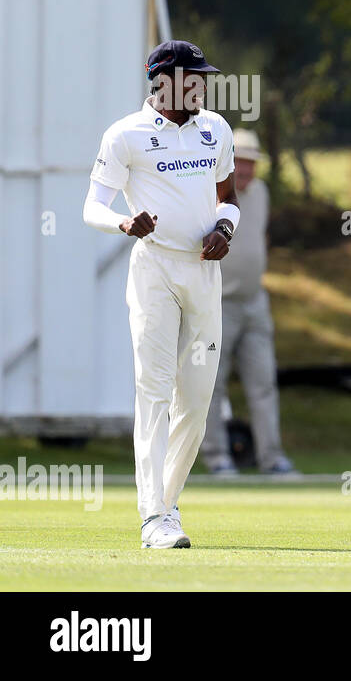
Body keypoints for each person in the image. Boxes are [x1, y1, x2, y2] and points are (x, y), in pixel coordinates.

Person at [82, 39, 238, 549]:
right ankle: (154, 517)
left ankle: (165, 506)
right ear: (163, 81)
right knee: (154, 389)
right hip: (153, 270)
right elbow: (92, 207)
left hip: (202, 273)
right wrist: (125, 222)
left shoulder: (215, 128)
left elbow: (228, 198)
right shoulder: (124, 135)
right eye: (193, 77)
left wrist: (224, 229)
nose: (202, 86)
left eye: (204, 78)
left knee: (195, 398)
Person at [200, 130, 296, 476]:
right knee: (212, 383)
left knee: (264, 382)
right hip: (218, 302)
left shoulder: (262, 192)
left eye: (251, 163)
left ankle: (273, 459)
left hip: (255, 300)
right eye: (240, 161)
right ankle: (218, 459)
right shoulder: (210, 192)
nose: (246, 169)